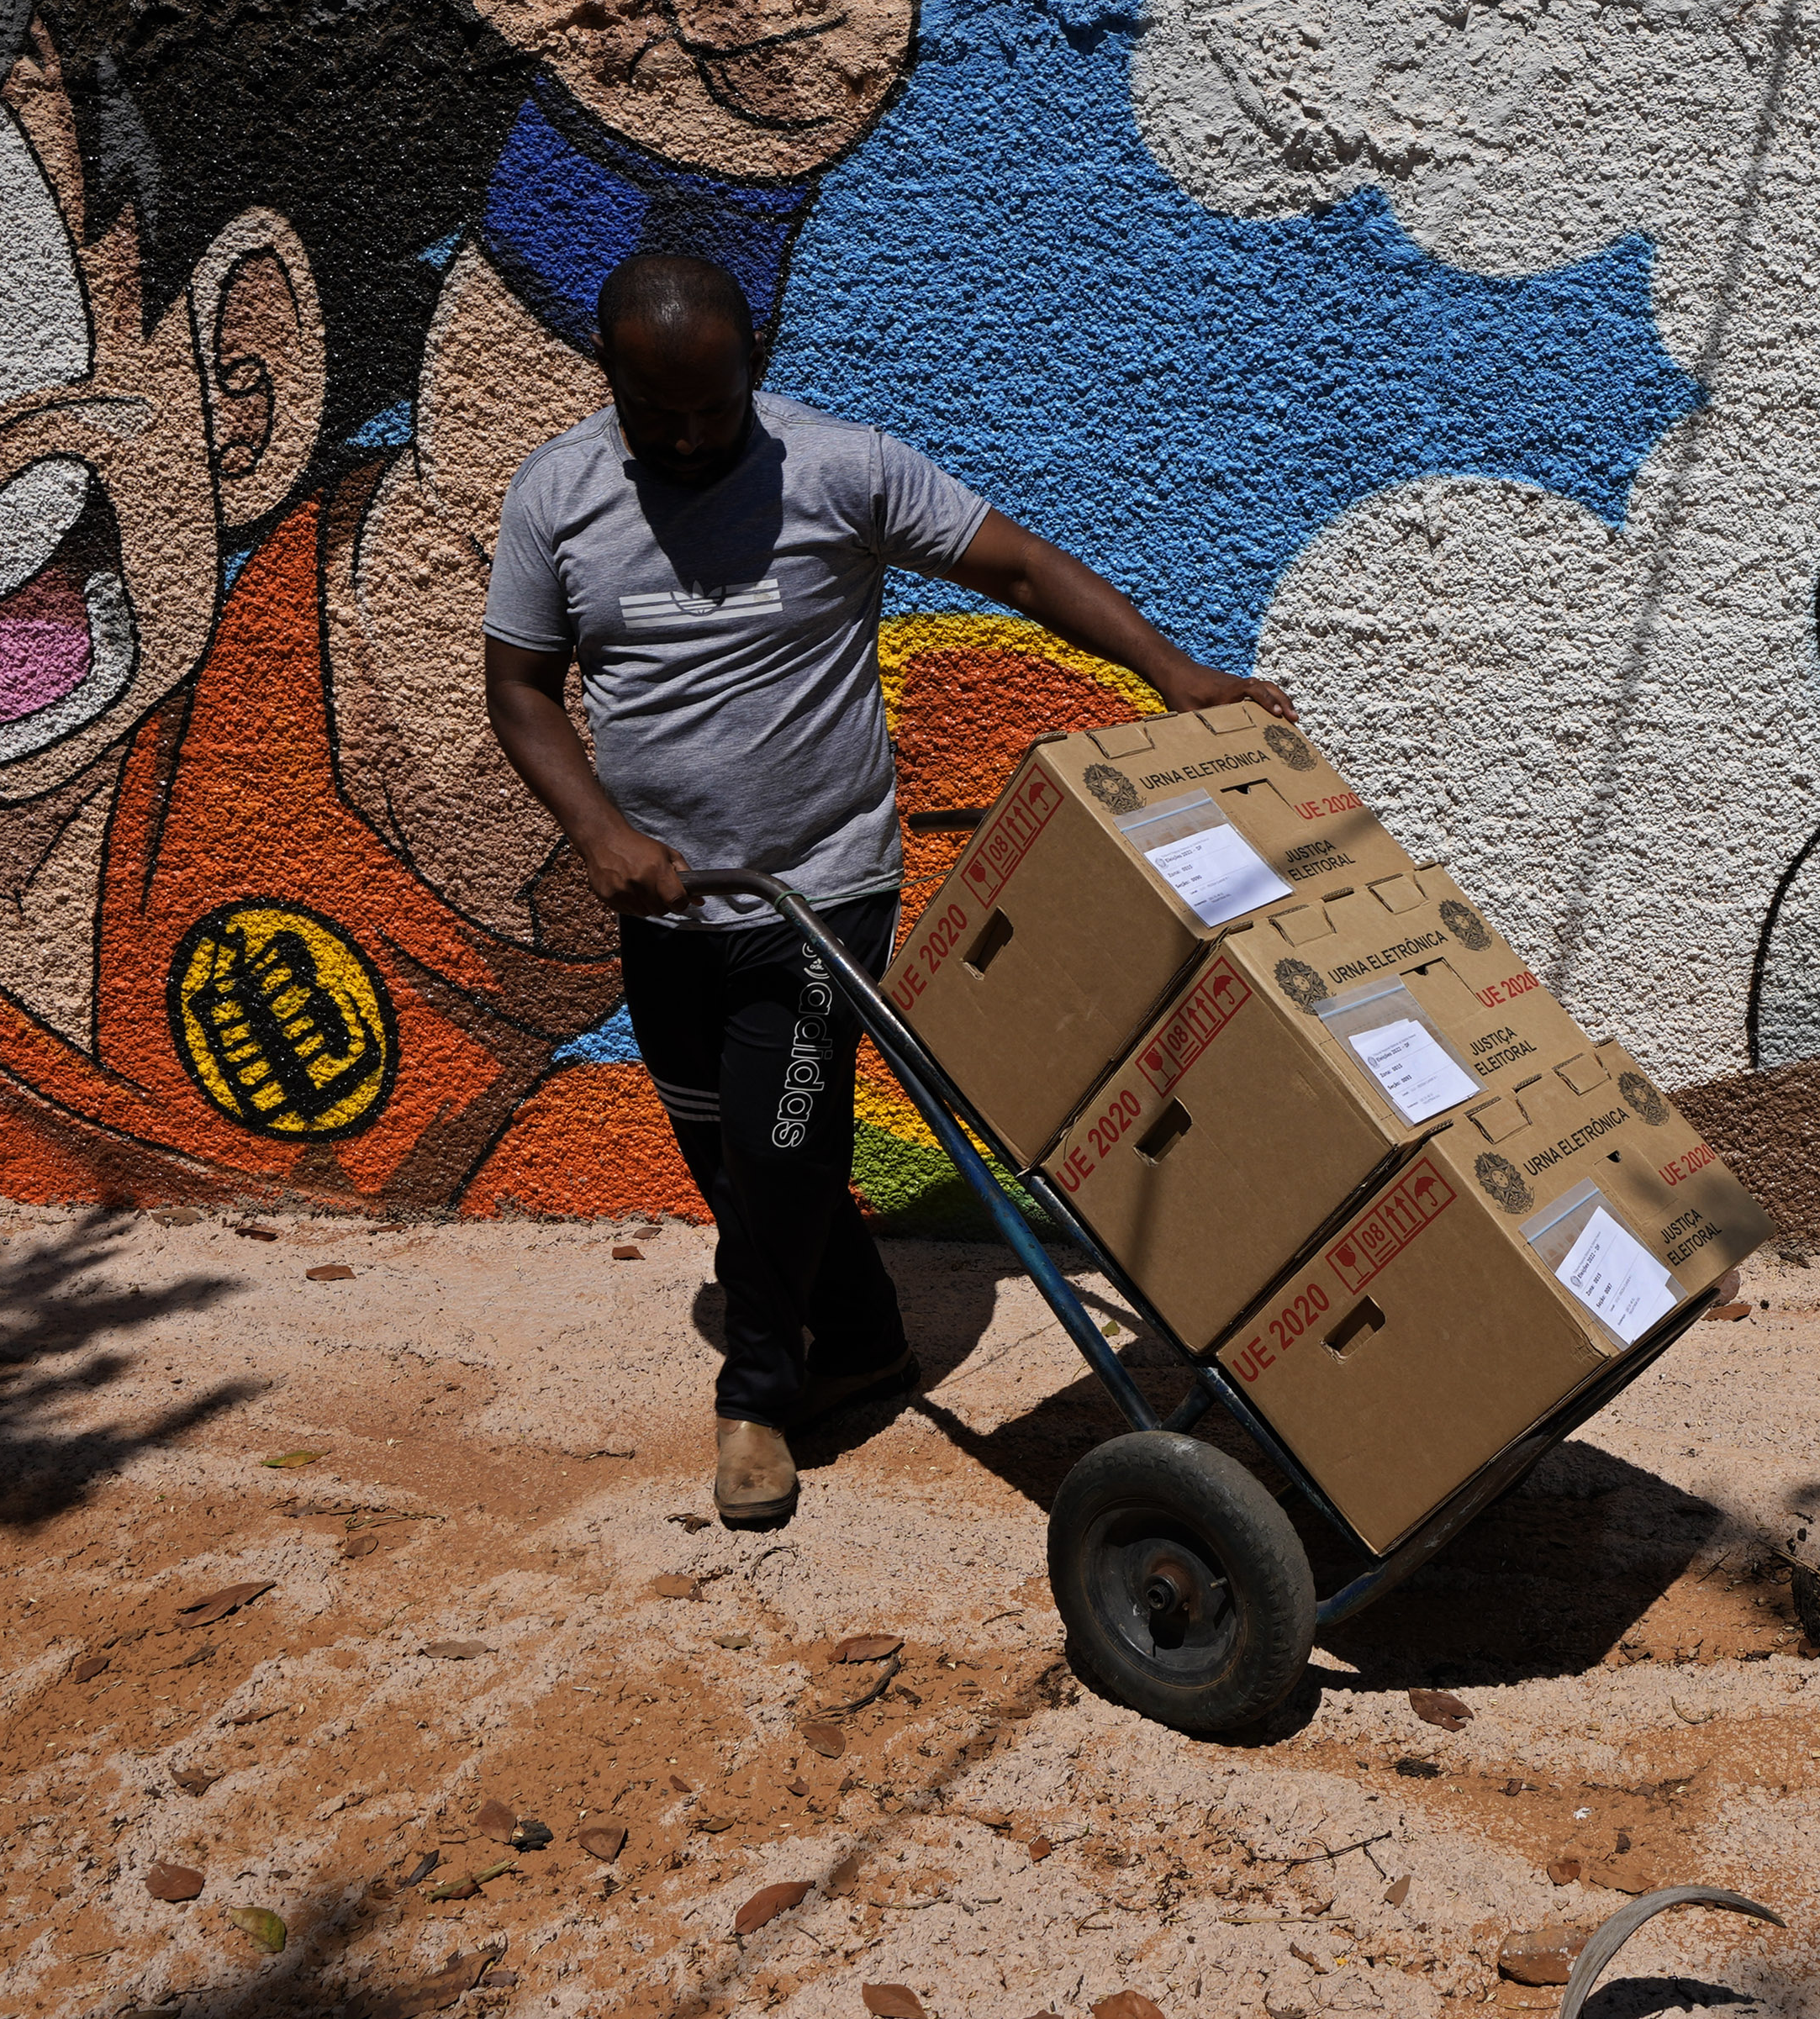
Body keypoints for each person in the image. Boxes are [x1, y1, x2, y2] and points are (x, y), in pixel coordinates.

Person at [481, 248, 1292, 1530]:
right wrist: (594, 830)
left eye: (714, 405)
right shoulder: (558, 497)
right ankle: (859, 1339)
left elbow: (1017, 568)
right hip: (666, 905)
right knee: (736, 1165)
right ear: (609, 381)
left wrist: (1171, 670)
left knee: (789, 1147)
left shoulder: (845, 469)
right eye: (657, 414)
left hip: (818, 895)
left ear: (759, 357)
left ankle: (757, 1396)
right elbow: (520, 687)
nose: (690, 438)